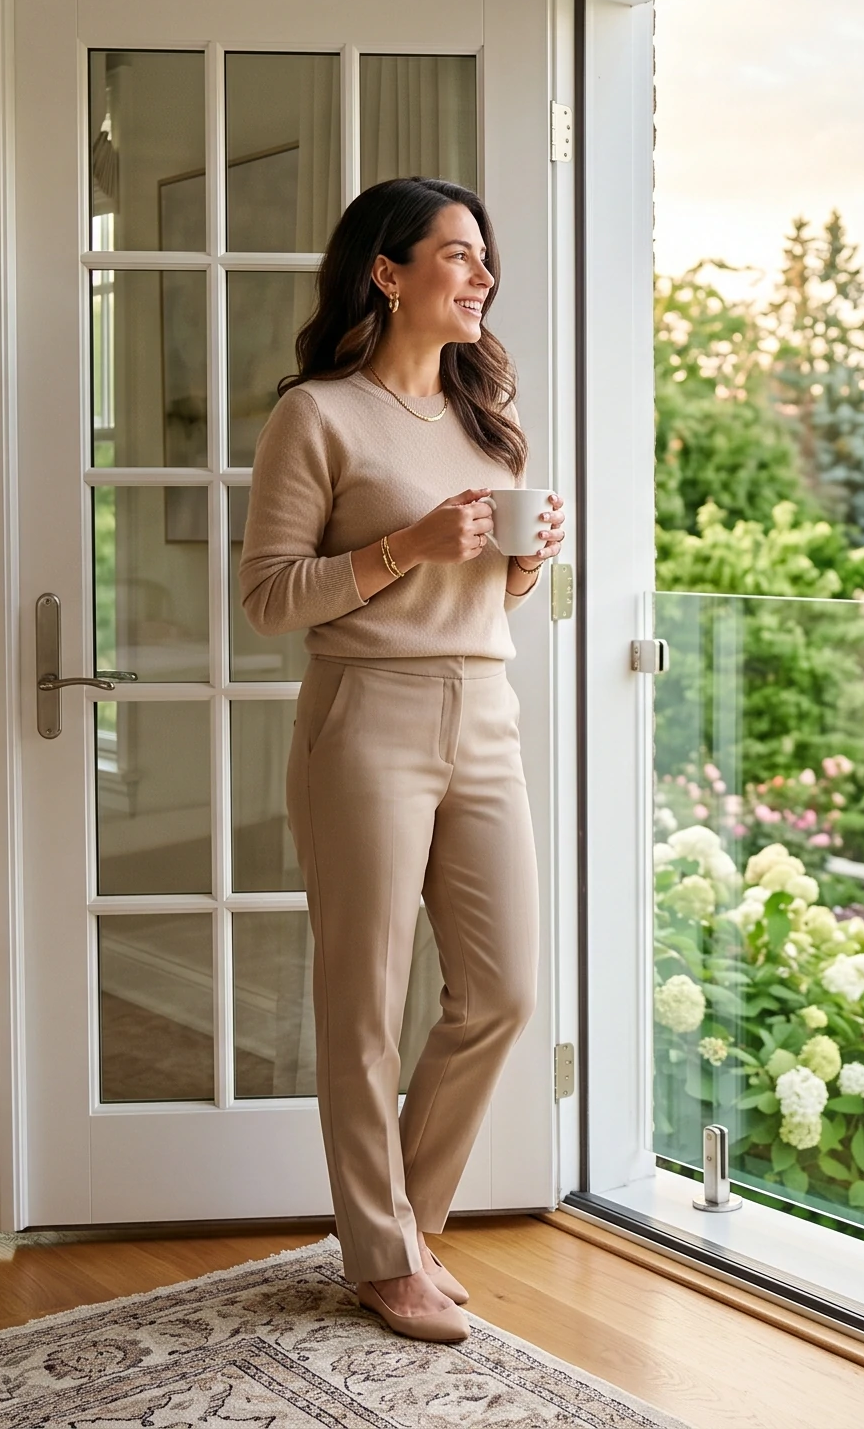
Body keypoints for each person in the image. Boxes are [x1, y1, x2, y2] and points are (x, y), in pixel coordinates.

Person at [238, 176, 564, 1343]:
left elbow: (487, 601)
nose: (480, 277)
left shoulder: (489, 423)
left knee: (503, 992)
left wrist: (523, 570)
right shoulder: (316, 417)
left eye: (484, 261)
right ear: (387, 271)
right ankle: (381, 1256)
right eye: (457, 255)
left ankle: (403, 1225)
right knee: (363, 1002)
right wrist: (400, 548)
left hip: (483, 711)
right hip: (363, 715)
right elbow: (268, 601)